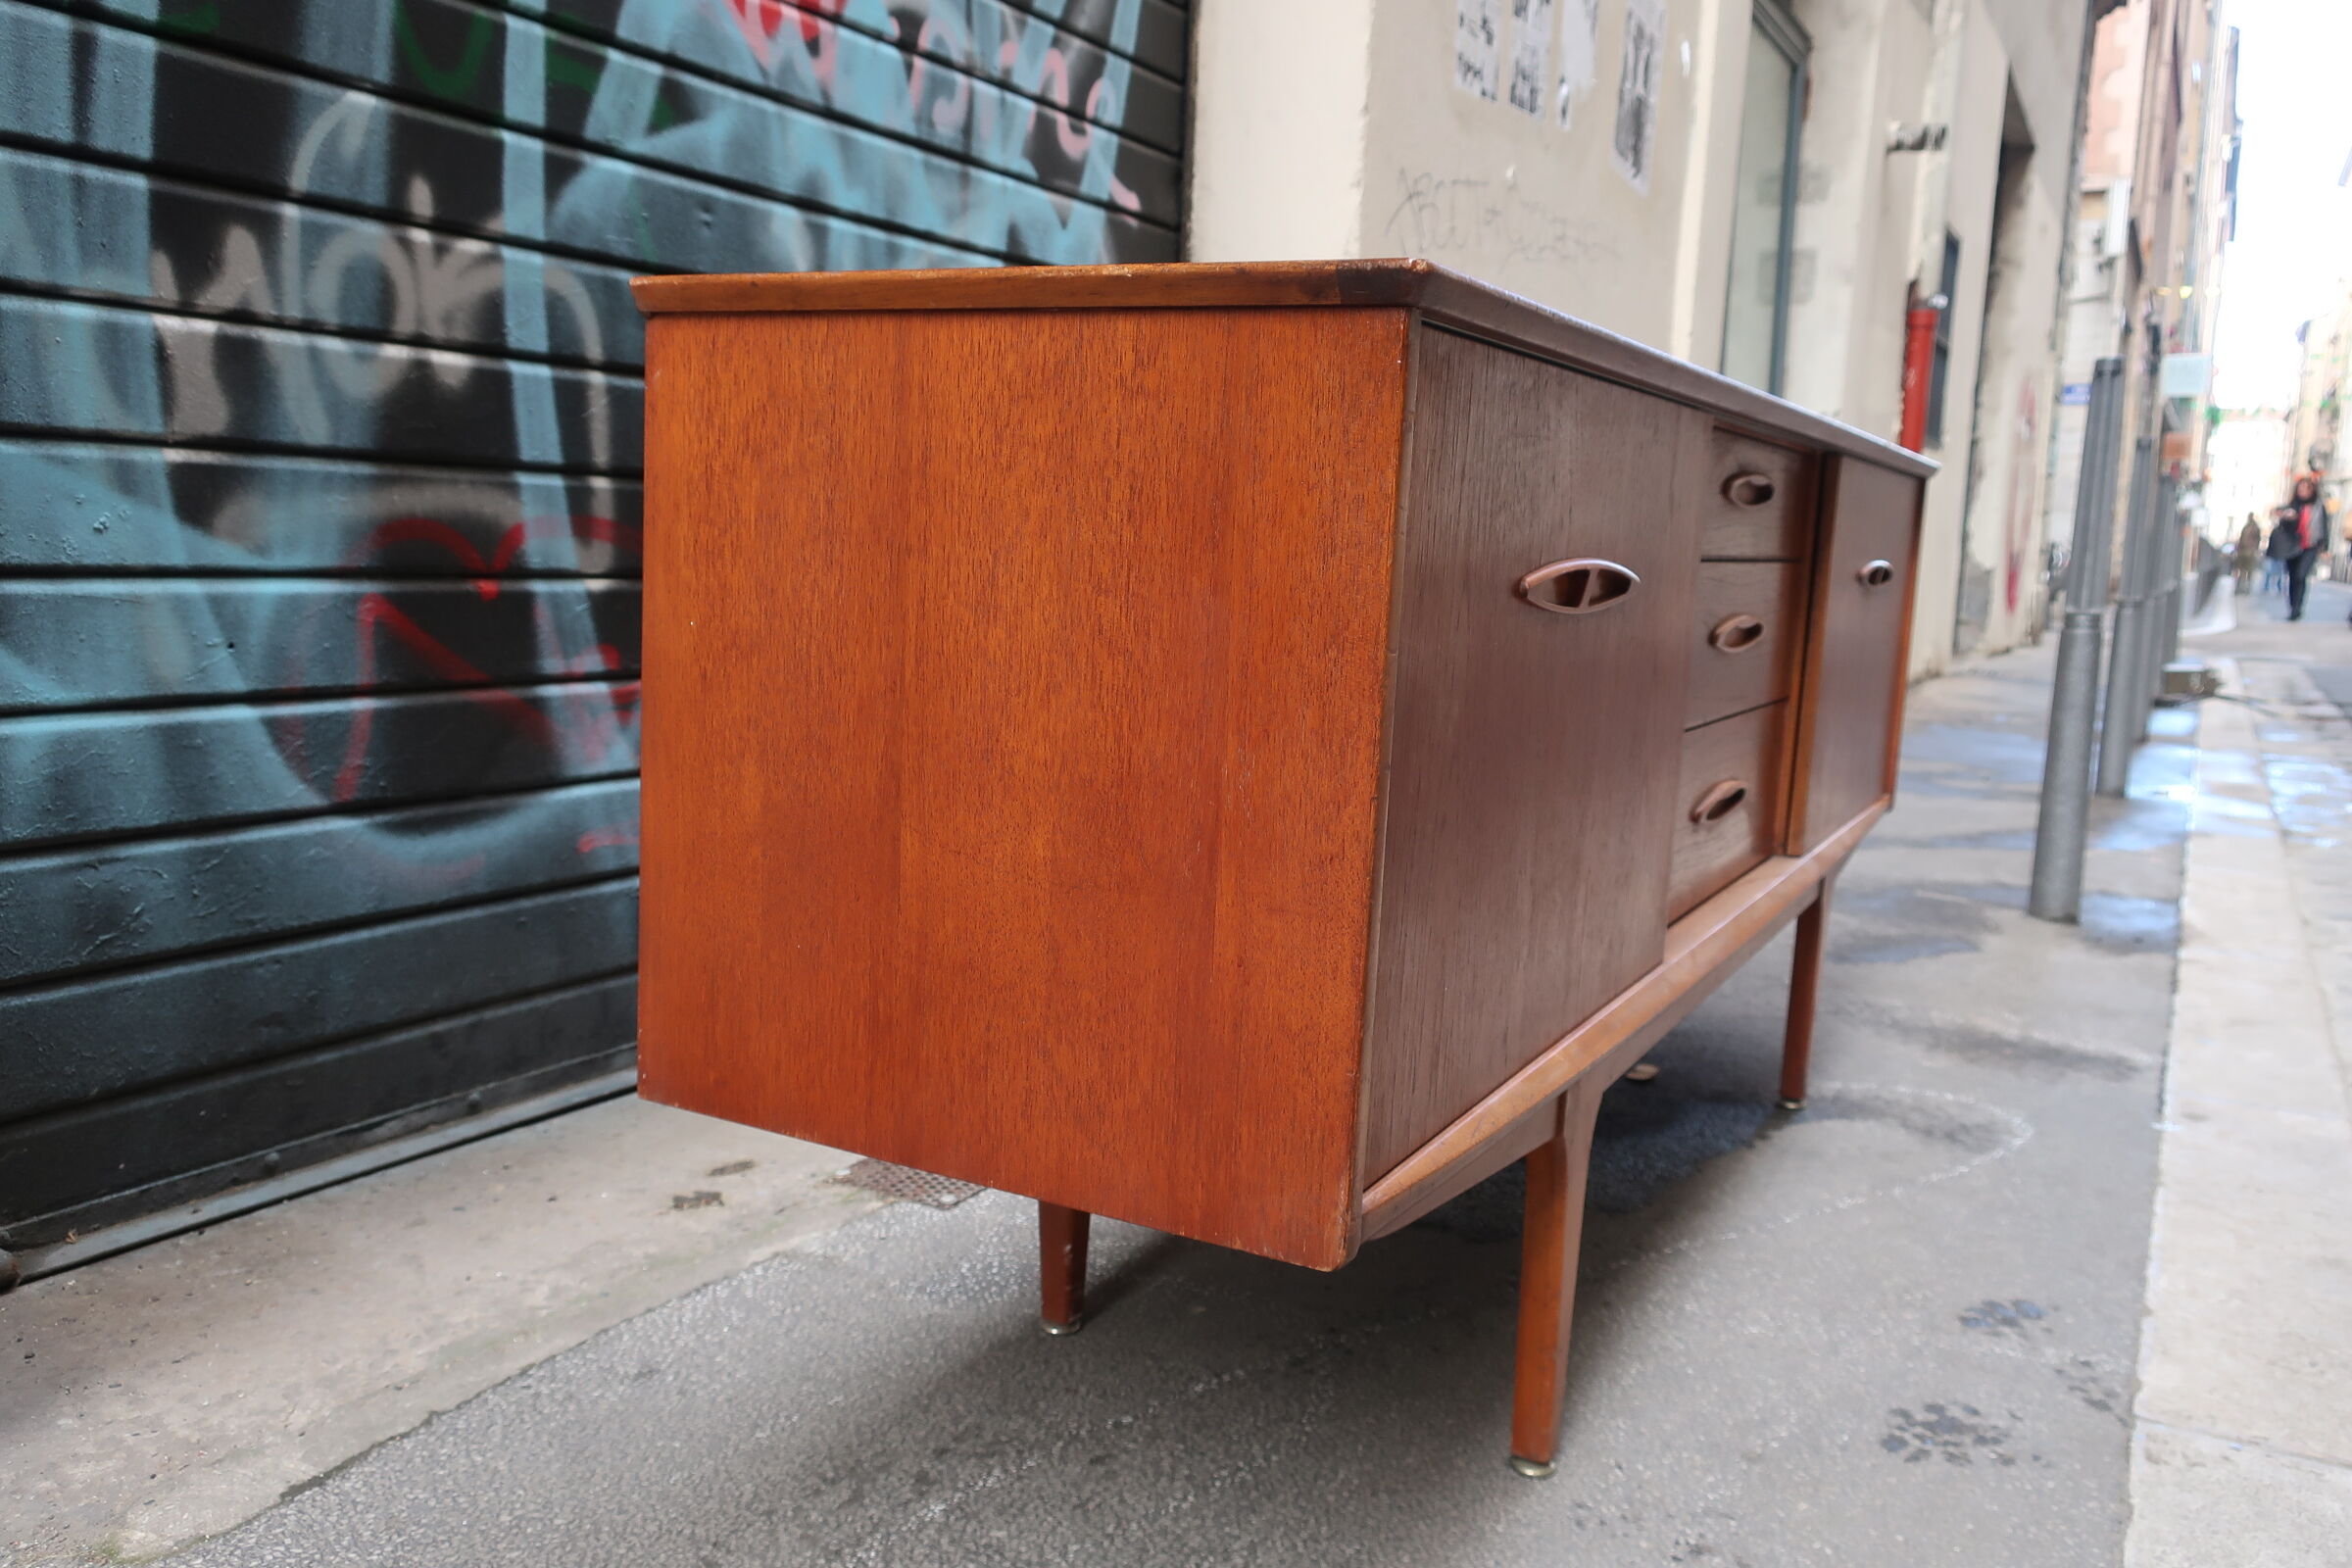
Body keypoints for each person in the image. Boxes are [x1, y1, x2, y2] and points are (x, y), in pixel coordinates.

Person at [2271, 476, 2331, 620]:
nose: (2303, 491)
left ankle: (2298, 607)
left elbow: (2324, 526)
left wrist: (2324, 546)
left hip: (2310, 546)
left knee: (2301, 575)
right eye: (2301, 488)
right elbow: (2282, 524)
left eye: (2307, 488)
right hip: (2292, 546)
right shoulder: (2292, 506)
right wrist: (2287, 517)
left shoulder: (2318, 507)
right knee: (2293, 577)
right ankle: (2293, 607)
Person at [2235, 514, 2263, 595]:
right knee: (2242, 570)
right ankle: (2241, 587)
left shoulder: (2254, 528)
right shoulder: (2247, 527)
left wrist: (2255, 549)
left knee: (2248, 570)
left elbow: (2257, 539)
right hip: (2244, 551)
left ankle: (2246, 588)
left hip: (2249, 551)